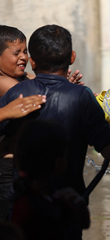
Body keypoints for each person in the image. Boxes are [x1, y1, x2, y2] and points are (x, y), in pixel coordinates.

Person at [0, 24, 110, 240]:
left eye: (25, 53)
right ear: (72, 57)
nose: (23, 58)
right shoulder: (82, 98)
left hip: (22, 199)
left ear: (33, 62)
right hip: (69, 200)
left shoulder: (18, 93)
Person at [0, 25, 82, 222]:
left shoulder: (23, 78)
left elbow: (45, 84)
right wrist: (69, 91)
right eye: (16, 53)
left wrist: (65, 85)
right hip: (7, 168)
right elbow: (42, 92)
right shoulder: (4, 82)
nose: (23, 57)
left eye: (25, 51)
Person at [11, 119, 90, 240]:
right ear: (60, 163)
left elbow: (83, 223)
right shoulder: (30, 206)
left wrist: (79, 206)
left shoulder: (51, 195)